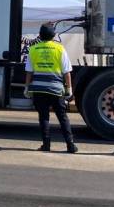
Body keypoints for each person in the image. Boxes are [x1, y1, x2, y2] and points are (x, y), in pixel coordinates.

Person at [24, 23, 78, 154]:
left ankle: (46, 145)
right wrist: (69, 89)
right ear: (53, 35)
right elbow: (66, 72)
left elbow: (29, 71)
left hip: (39, 89)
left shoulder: (33, 49)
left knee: (44, 117)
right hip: (56, 89)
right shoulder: (59, 49)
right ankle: (70, 145)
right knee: (62, 117)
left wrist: (26, 87)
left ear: (40, 35)